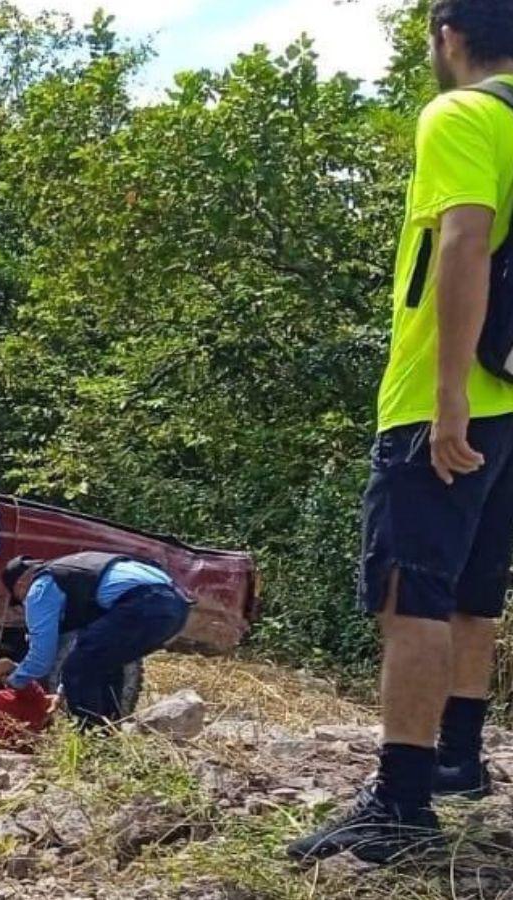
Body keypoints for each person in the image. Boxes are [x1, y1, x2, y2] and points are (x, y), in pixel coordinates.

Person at [289, 0, 513, 865]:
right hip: (511, 405)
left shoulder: (461, 112)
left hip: (439, 400)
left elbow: (463, 244)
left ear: (448, 37)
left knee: (408, 595)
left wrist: (448, 395)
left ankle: (400, 805)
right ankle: (457, 755)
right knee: (472, 591)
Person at [0, 553, 192, 727]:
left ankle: (88, 736)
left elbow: (41, 658)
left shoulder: (40, 586)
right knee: (103, 666)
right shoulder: (77, 576)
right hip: (177, 605)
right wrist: (62, 691)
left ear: (21, 585)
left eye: (20, 600)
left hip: (145, 604)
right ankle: (107, 733)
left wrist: (13, 682)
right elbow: (83, 644)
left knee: (80, 668)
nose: (25, 605)